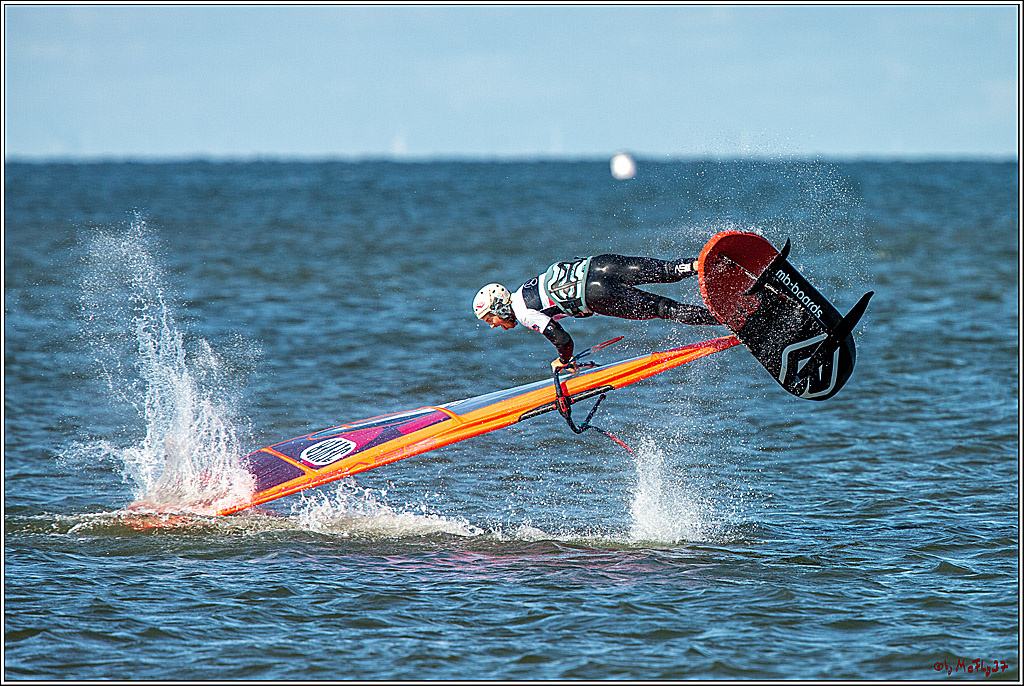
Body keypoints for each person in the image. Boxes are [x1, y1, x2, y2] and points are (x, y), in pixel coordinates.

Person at [473, 254, 720, 373]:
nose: (493, 325)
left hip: (596, 294)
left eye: (490, 319)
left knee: (664, 309)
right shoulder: (526, 288)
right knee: (666, 270)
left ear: (499, 308)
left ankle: (724, 319)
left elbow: (563, 340)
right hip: (599, 264)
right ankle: (714, 263)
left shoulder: (524, 312)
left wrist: (563, 360)